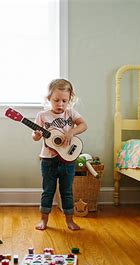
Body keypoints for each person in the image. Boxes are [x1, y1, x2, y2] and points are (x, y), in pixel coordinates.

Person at [32, 79, 88, 231]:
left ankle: (70, 221)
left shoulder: (70, 113)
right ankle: (44, 221)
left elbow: (83, 125)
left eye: (64, 100)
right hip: (48, 160)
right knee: (48, 191)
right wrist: (37, 134)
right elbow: (35, 137)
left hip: (68, 160)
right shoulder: (42, 116)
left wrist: (71, 131)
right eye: (56, 100)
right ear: (49, 98)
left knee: (67, 191)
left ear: (70, 99)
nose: (60, 104)